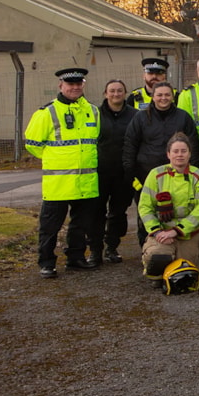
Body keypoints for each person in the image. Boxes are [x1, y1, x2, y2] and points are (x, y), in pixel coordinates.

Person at [25, 67, 101, 277]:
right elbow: (33, 144)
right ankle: (47, 263)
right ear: (61, 86)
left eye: (78, 84)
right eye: (70, 84)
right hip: (58, 183)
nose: (75, 88)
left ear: (83, 85)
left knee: (80, 225)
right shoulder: (46, 112)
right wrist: (55, 159)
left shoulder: (93, 111)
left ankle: (76, 258)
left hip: (85, 182)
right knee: (50, 226)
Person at [123, 81, 198, 247]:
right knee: (147, 214)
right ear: (153, 96)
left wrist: (192, 173)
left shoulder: (183, 117)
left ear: (172, 97)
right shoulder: (140, 117)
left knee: (179, 212)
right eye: (159, 95)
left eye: (167, 95)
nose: (163, 98)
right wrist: (131, 175)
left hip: (178, 177)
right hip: (146, 176)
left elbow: (193, 146)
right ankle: (148, 248)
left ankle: (179, 246)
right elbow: (130, 146)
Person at [138, 132, 199, 279]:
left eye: (184, 151)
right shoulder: (155, 175)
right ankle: (156, 275)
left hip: (189, 234)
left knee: (186, 273)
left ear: (190, 154)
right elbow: (145, 207)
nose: (179, 155)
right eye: (175, 151)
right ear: (168, 154)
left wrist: (177, 231)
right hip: (162, 234)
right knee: (158, 258)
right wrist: (157, 232)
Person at [90, 78, 137, 264]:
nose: (116, 94)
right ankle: (95, 250)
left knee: (118, 212)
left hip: (124, 174)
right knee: (96, 212)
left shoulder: (135, 115)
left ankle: (112, 247)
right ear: (105, 94)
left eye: (119, 91)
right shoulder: (94, 114)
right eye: (112, 91)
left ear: (124, 93)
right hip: (99, 172)